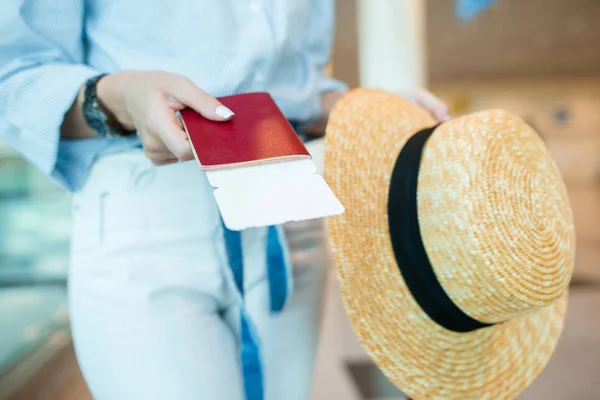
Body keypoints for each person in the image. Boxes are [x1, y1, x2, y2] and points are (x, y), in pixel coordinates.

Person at [0, 1, 449, 399]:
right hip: (149, 207)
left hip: (286, 208)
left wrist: (369, 108)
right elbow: (15, 75)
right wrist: (121, 96)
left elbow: (301, 86)